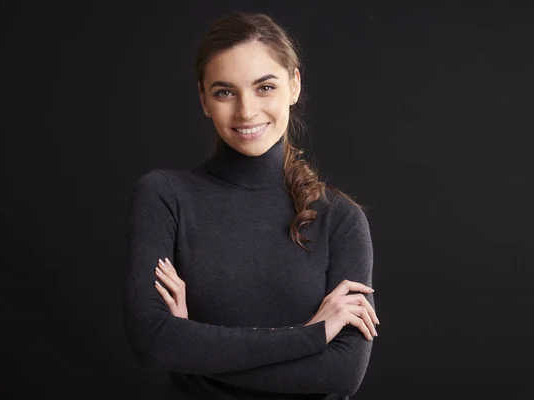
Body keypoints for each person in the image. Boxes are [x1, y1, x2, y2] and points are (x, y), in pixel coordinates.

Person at [123, 11, 379, 399]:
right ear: (204, 99)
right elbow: (152, 342)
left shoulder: (339, 219)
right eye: (225, 92)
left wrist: (194, 349)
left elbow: (341, 374)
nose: (246, 111)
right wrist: (311, 335)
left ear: (294, 85)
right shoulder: (165, 196)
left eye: (265, 87)